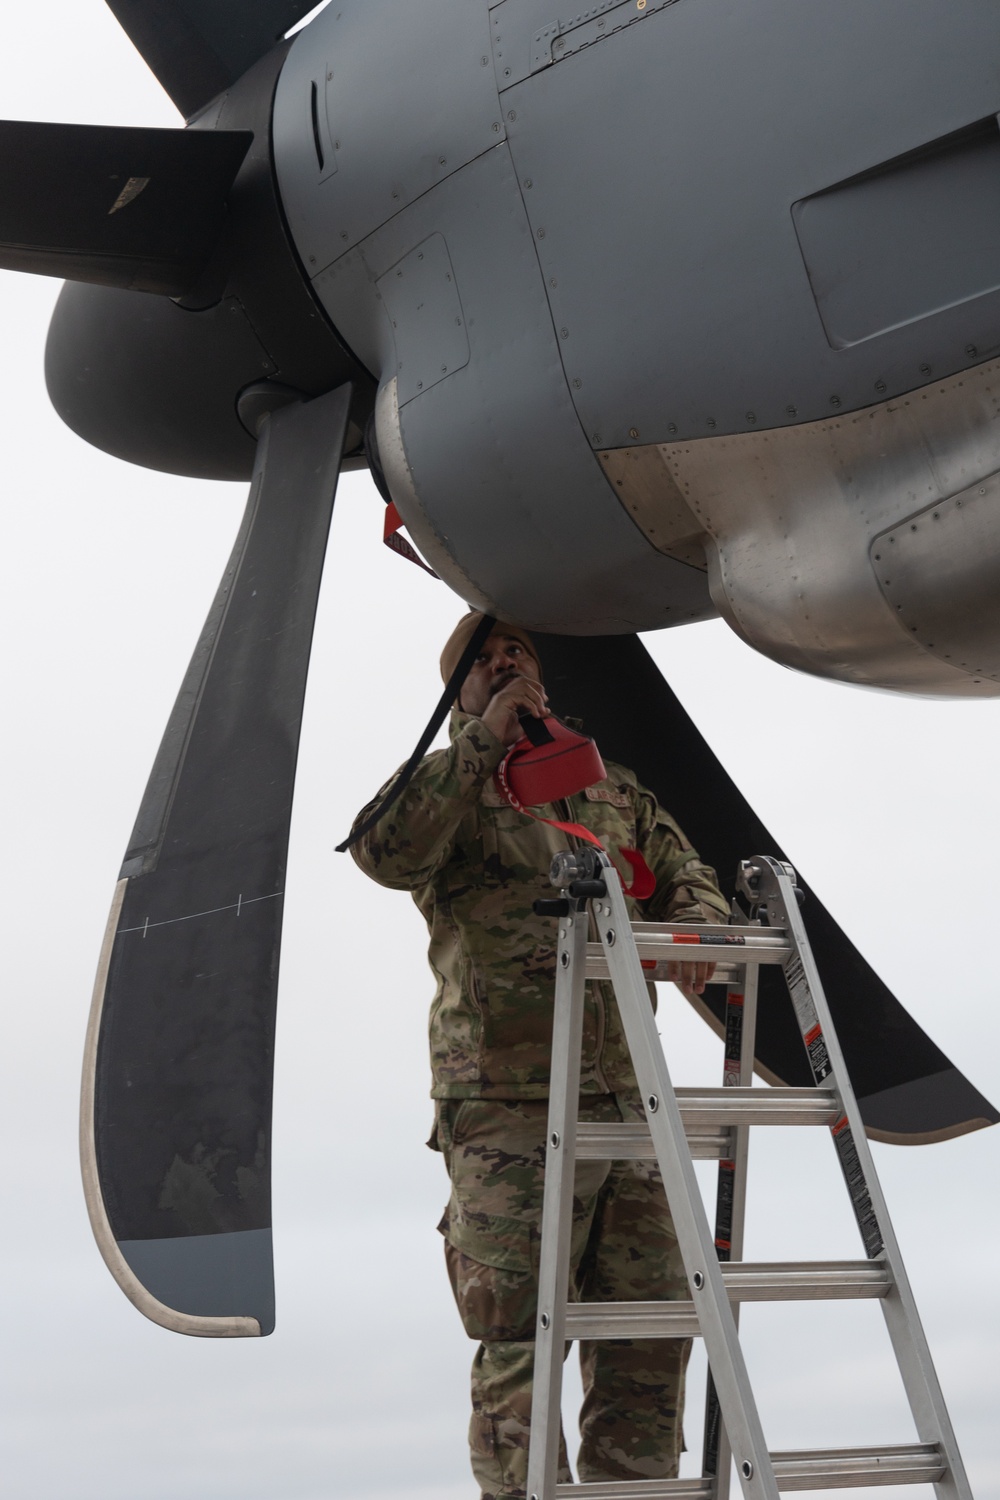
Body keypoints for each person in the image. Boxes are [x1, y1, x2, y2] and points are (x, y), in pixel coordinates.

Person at [350, 612, 729, 1499]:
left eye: (515, 652)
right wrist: (481, 744)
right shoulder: (444, 791)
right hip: (509, 1107)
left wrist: (699, 924)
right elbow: (383, 851)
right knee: (519, 1338)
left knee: (648, 1333)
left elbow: (682, 867)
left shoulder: (609, 788)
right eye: (480, 663)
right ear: (458, 696)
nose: (504, 663)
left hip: (627, 1102)